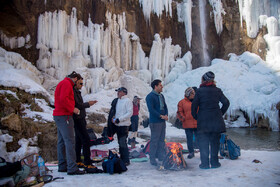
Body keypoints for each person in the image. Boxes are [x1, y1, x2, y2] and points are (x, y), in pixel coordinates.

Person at [191, 71, 230, 169]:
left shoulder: (199, 91)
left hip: (203, 121)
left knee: (203, 143)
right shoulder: (218, 90)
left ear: (204, 79)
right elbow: (226, 103)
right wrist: (220, 113)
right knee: (215, 143)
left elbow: (194, 106)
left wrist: (196, 116)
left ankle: (204, 164)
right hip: (216, 121)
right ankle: (215, 163)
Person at [53, 71, 85, 175]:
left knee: (62, 141)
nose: (78, 85)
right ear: (75, 78)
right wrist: (73, 109)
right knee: (70, 141)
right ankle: (72, 168)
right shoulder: (67, 84)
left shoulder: (63, 83)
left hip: (59, 115)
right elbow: (64, 99)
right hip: (64, 116)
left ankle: (62, 166)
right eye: (79, 82)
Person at [73, 77, 98, 172]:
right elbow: (78, 105)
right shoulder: (74, 92)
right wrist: (88, 104)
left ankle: (78, 160)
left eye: (82, 84)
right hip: (78, 118)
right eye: (80, 84)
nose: (82, 86)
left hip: (80, 118)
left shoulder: (77, 92)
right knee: (86, 139)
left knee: (79, 140)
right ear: (75, 83)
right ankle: (87, 162)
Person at [146, 79, 168, 166]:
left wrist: (166, 115)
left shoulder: (161, 96)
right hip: (155, 122)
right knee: (154, 140)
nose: (162, 86)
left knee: (162, 140)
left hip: (162, 121)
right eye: (160, 85)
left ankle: (161, 156)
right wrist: (160, 116)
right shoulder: (150, 96)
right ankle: (152, 158)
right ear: (155, 86)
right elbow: (151, 110)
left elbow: (165, 106)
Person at [109, 87, 133, 166]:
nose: (118, 93)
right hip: (117, 124)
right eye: (118, 92)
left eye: (119, 91)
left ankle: (126, 160)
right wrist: (113, 118)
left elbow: (129, 113)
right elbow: (115, 111)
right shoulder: (117, 101)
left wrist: (120, 119)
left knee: (123, 142)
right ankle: (122, 158)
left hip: (124, 125)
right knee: (120, 142)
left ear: (124, 92)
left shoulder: (128, 101)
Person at [177, 87, 197, 159]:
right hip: (187, 123)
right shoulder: (182, 102)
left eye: (194, 93)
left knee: (200, 138)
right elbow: (179, 112)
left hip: (197, 123)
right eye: (192, 93)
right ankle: (191, 152)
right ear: (188, 94)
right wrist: (183, 118)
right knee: (189, 139)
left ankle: (202, 151)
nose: (193, 95)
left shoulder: (197, 101)